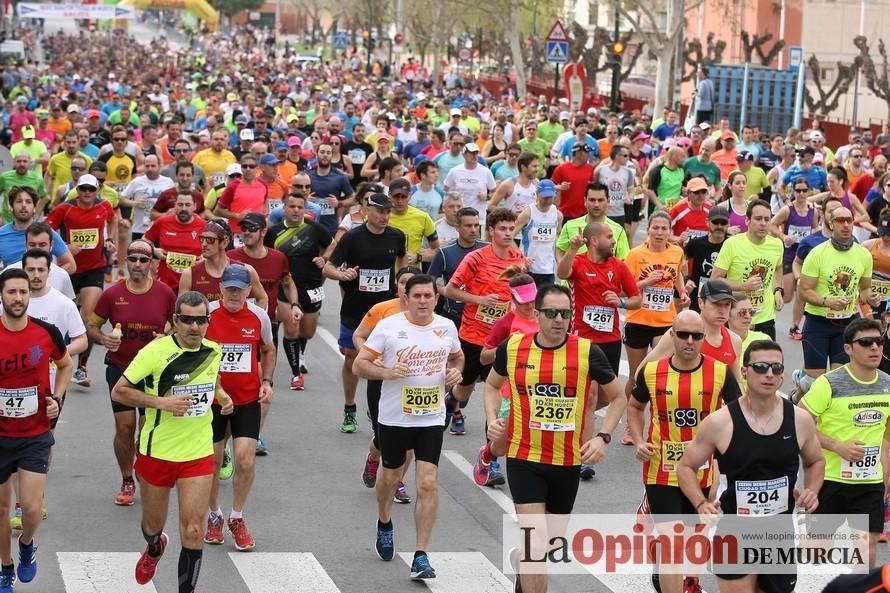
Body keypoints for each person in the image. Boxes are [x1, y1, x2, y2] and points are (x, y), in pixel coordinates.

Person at [484, 284, 626, 593]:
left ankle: (524, 571)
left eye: (565, 313)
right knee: (535, 541)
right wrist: (494, 419)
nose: (559, 319)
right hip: (525, 456)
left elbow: (618, 397)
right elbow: (492, 386)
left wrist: (603, 437)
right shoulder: (514, 347)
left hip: (567, 461)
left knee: (546, 546)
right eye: (551, 313)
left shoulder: (587, 351)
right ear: (536, 314)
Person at [111, 291, 234, 593]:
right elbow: (120, 391)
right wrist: (160, 403)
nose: (194, 327)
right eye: (188, 320)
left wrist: (221, 395)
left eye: (201, 320)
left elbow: (213, 382)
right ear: (176, 321)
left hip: (198, 451)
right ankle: (154, 547)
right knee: (152, 526)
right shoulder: (154, 352)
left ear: (208, 321)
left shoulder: (213, 350)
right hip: (158, 451)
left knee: (193, 528)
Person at [678, 340, 824, 593]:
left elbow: (815, 460)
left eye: (776, 369)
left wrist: (812, 489)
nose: (769, 374)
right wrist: (701, 503)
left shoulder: (799, 420)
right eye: (760, 367)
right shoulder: (719, 422)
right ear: (744, 371)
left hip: (779, 532)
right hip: (734, 530)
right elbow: (686, 467)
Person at [353, 274, 464, 580]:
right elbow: (359, 364)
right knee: (390, 478)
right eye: (417, 296)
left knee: (427, 482)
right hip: (394, 418)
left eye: (428, 296)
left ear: (436, 299)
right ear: (407, 298)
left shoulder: (446, 327)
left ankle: (421, 555)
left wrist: (455, 373)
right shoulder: (389, 328)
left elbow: (457, 357)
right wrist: (386, 372)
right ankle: (384, 521)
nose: (423, 301)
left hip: (430, 417)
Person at [628, 310, 741, 593]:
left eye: (697, 336)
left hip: (702, 475)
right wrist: (639, 440)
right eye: (683, 335)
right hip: (660, 473)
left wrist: (721, 469)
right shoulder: (652, 371)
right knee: (671, 548)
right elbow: (635, 406)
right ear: (672, 336)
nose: (690, 341)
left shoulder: (719, 372)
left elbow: (737, 418)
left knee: (688, 544)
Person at [0, 268, 73, 593]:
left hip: (34, 434)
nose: (17, 298)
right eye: (11, 292)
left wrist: (57, 397)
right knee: (1, 510)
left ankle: (27, 545)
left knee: (30, 508)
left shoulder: (47, 332)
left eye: (22, 292)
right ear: (2, 295)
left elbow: (67, 364)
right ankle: (5, 566)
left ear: (30, 295)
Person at [89, 239, 176, 506]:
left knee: (147, 428)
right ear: (126, 261)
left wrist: (166, 336)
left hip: (153, 373)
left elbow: (177, 327)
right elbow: (92, 327)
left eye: (143, 260)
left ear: (152, 263)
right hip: (121, 369)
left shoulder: (165, 293)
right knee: (125, 428)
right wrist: (104, 339)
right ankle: (127, 478)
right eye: (133, 259)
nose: (138, 264)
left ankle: (146, 471)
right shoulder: (112, 294)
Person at [800, 318, 890, 568]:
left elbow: (885, 435)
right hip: (830, 480)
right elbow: (800, 423)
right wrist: (837, 447)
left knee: (866, 549)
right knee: (818, 553)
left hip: (869, 483)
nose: (875, 348)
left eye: (879, 342)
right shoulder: (828, 383)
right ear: (848, 348)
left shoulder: (887, 384)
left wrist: (885, 473)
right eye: (866, 342)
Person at [203, 265, 275, 552]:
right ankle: (214, 514)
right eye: (229, 288)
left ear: (249, 290)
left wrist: (267, 380)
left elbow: (268, 348)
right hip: (212, 402)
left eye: (240, 289)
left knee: (245, 460)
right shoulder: (206, 314)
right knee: (211, 464)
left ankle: (236, 516)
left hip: (246, 399)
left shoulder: (259, 316)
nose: (234, 294)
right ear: (221, 288)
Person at [323, 193, 408, 433]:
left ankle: (376, 405)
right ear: (367, 211)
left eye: (388, 212)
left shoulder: (397, 236)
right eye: (381, 211)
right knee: (352, 357)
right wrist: (341, 275)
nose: (385, 216)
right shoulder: (352, 237)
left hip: (387, 311)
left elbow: (402, 258)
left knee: (383, 360)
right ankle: (350, 407)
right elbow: (329, 266)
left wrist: (402, 281)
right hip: (355, 309)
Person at [443, 209, 526, 434]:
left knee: (497, 390)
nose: (508, 234)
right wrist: (480, 299)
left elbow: (521, 294)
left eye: (511, 229)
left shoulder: (518, 259)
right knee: (464, 389)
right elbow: (450, 290)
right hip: (472, 334)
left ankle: (492, 446)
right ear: (490, 231)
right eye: (503, 229)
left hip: (501, 338)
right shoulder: (475, 258)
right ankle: (452, 401)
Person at [228, 212, 297, 453]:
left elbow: (287, 282)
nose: (246, 232)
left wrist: (295, 305)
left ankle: (254, 434)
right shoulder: (231, 258)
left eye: (251, 228)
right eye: (243, 228)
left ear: (263, 232)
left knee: (263, 382)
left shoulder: (278, 258)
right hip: (235, 329)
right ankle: (224, 437)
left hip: (266, 327)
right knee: (231, 380)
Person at [794, 206, 879, 400]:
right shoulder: (817, 254)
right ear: (830, 224)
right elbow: (803, 291)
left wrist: (870, 297)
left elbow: (864, 289)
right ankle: (796, 396)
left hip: (846, 324)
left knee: (837, 382)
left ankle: (825, 425)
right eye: (840, 220)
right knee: (812, 383)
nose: (846, 225)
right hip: (818, 322)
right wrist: (826, 301)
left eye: (849, 220)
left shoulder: (863, 254)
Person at [45, 174, 118, 388]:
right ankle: (57, 357)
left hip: (94, 270)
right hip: (68, 269)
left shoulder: (104, 206)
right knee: (60, 317)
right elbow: (46, 230)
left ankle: (81, 367)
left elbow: (113, 219)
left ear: (97, 191)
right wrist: (64, 246)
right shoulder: (64, 209)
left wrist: (110, 239)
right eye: (83, 189)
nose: (87, 193)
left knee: (88, 319)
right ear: (77, 190)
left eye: (91, 189)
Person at [622, 212, 689, 443]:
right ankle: (631, 425)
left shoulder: (676, 252)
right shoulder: (636, 254)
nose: (659, 233)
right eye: (656, 228)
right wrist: (646, 282)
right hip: (638, 320)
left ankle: (657, 422)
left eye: (664, 228)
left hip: (665, 322)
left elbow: (677, 275)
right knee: (636, 374)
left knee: (661, 373)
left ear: (670, 231)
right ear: (648, 230)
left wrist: (682, 293)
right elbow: (625, 288)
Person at [266, 194, 334, 390]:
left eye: (299, 207)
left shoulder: (314, 229)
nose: (296, 210)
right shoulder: (275, 232)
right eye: (292, 206)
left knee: (308, 331)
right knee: (291, 327)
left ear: (304, 209)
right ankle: (296, 374)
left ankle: (300, 352)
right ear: (284, 209)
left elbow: (331, 244)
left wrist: (325, 258)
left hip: (311, 286)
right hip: (285, 287)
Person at [711, 199, 785, 339]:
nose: (763, 223)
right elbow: (715, 280)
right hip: (736, 318)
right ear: (747, 221)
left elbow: (778, 268)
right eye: (758, 219)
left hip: (765, 317)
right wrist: (743, 286)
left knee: (765, 360)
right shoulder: (732, 244)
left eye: (767, 219)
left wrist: (777, 291)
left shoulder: (777, 245)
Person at [178, 220, 267, 309]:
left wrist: (252, 320)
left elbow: (262, 299)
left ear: (224, 242)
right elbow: (181, 308)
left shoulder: (246, 270)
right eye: (202, 239)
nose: (204, 244)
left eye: (210, 240)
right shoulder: (190, 274)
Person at [769, 178, 818, 341]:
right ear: (793, 192)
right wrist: (783, 236)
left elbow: (814, 227)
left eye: (804, 190)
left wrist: (813, 235)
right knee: (787, 296)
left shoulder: (813, 211)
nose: (802, 194)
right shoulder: (787, 210)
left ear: (808, 191)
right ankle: (766, 312)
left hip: (806, 257)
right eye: (798, 191)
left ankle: (794, 326)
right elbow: (771, 225)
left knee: (801, 293)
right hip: (790, 256)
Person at [428, 207, 485, 329]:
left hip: (480, 315)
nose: (473, 230)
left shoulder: (488, 249)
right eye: (468, 226)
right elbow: (429, 282)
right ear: (457, 227)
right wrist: (448, 291)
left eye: (476, 225)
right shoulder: (445, 252)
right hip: (454, 315)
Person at [143, 191, 206, 291]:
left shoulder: (204, 226)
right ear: (175, 205)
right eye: (180, 205)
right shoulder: (163, 222)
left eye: (188, 205)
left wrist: (206, 259)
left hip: (194, 284)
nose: (184, 209)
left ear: (195, 206)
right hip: (166, 284)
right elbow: (143, 241)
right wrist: (153, 250)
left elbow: (217, 250)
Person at [556, 182, 630, 262]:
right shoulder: (569, 226)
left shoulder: (618, 230)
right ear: (585, 201)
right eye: (592, 200)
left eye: (600, 200)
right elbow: (560, 248)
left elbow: (624, 260)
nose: (596, 205)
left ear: (608, 201)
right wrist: (565, 271)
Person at [516, 179, 562, 286]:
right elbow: (510, 238)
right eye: (544, 197)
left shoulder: (558, 215)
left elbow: (557, 242)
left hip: (549, 269)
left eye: (550, 197)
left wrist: (559, 262)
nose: (547, 200)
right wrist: (521, 258)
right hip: (529, 268)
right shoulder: (528, 213)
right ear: (537, 194)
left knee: (545, 301)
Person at [683, 206, 729, 311]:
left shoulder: (732, 245)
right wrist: (686, 279)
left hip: (723, 297)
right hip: (698, 298)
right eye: (715, 222)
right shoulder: (696, 244)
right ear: (707, 222)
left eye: (723, 223)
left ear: (729, 224)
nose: (719, 226)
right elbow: (680, 261)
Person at [727, 294, 770, 392]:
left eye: (751, 312)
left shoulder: (763, 340)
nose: (748, 317)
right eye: (742, 313)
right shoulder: (719, 340)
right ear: (728, 314)